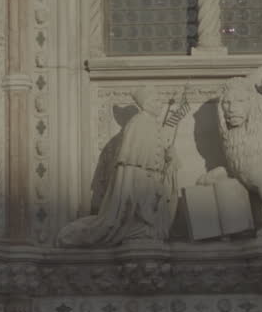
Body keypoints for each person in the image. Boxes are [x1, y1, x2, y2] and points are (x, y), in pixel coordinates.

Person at [57, 87, 180, 246]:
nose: (160, 104)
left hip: (152, 186)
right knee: (135, 225)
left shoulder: (152, 125)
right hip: (141, 186)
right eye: (156, 101)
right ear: (147, 104)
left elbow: (156, 159)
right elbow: (132, 166)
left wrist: (169, 157)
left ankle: (144, 227)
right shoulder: (138, 124)